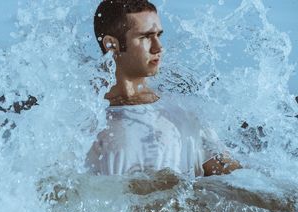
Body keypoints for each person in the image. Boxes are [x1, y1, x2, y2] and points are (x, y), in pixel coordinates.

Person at [86, 0, 241, 177]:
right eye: (145, 37)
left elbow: (240, 184)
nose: (158, 47)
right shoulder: (85, 127)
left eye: (158, 35)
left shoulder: (184, 114)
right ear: (111, 45)